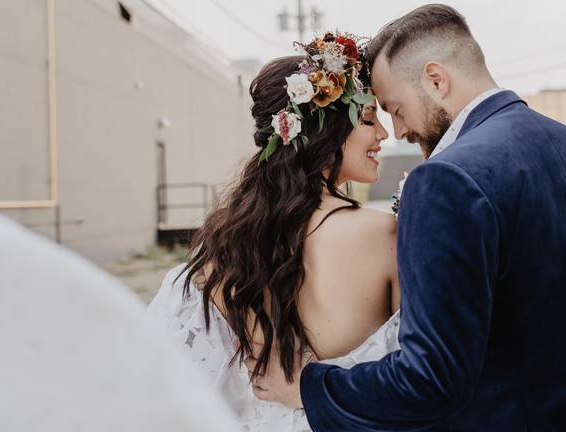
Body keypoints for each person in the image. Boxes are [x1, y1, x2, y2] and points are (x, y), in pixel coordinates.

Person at [252, 5, 566, 431]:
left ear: (435, 80)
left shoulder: (445, 180)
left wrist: (309, 388)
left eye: (396, 109)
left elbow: (430, 380)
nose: (398, 132)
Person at [146, 33, 400, 431]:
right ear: (324, 129)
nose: (384, 134)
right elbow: (422, 380)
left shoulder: (225, 246)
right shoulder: (384, 234)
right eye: (368, 119)